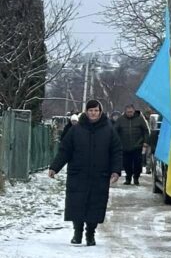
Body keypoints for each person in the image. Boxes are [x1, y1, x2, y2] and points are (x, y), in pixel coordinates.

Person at [48, 99, 122, 246]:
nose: (93, 113)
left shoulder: (108, 130)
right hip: (78, 173)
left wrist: (116, 171)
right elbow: (65, 150)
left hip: (99, 174)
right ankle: (77, 232)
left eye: (96, 110)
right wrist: (55, 167)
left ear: (100, 112)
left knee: (95, 204)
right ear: (86, 112)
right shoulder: (76, 130)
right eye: (90, 110)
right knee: (77, 203)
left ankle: (90, 234)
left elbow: (116, 151)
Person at [114, 103, 150, 186]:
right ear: (125, 111)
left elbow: (146, 131)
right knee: (127, 164)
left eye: (131, 112)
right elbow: (115, 131)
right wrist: (117, 142)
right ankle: (128, 178)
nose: (129, 113)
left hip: (137, 145)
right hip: (124, 146)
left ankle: (136, 177)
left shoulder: (140, 119)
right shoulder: (120, 120)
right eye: (128, 112)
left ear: (134, 111)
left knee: (138, 163)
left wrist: (145, 142)